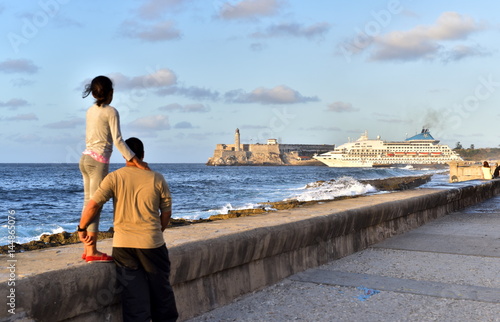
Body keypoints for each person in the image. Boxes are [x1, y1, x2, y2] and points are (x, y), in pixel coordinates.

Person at [78, 137, 178, 321]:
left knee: (134, 298)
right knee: (161, 292)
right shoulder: (157, 178)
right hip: (152, 244)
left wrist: (82, 227)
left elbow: (93, 205)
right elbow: (166, 213)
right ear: (143, 155)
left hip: (123, 246)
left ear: (125, 156)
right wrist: (158, 231)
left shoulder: (115, 177)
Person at [79, 75, 149, 263]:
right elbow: (118, 140)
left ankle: (88, 249)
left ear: (93, 93)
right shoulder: (111, 112)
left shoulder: (89, 111)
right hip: (98, 162)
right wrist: (136, 160)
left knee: (88, 202)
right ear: (110, 93)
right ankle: (92, 251)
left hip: (84, 159)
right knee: (96, 204)